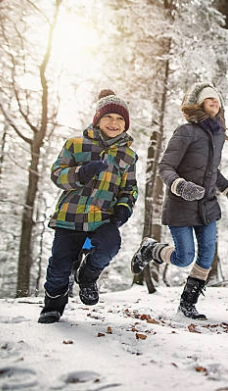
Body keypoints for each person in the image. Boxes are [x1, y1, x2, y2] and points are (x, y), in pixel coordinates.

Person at [131, 82, 228, 320]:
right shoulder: (186, 131)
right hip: (181, 205)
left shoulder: (218, 135)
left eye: (217, 98)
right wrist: (180, 186)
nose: (215, 101)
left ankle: (187, 304)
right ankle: (150, 249)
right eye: (208, 98)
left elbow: (212, 173)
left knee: (206, 257)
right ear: (199, 104)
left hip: (207, 207)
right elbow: (165, 167)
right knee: (184, 258)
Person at [38, 90, 138, 324]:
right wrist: (81, 173)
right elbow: (57, 175)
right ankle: (53, 304)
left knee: (110, 244)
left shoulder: (128, 155)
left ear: (126, 124)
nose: (114, 123)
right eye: (109, 117)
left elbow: (130, 188)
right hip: (69, 219)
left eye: (120, 119)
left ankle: (88, 276)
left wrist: (123, 208)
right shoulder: (75, 145)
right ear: (97, 120)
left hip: (102, 220)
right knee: (60, 266)